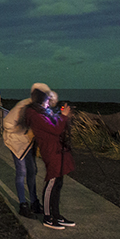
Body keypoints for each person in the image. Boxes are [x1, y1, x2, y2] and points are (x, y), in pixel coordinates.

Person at [25, 88, 76, 230]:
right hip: (50, 151)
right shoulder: (35, 115)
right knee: (52, 181)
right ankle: (47, 217)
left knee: (58, 182)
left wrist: (60, 115)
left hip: (57, 149)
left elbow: (54, 125)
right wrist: (64, 116)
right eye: (47, 101)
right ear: (41, 101)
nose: (49, 104)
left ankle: (56, 215)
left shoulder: (41, 112)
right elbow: (55, 130)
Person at [3, 82, 51, 218]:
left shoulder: (37, 109)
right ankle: (23, 205)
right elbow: (7, 123)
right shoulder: (23, 106)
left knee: (32, 170)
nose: (48, 105)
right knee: (21, 172)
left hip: (28, 143)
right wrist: (21, 131)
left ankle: (34, 202)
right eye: (46, 102)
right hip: (17, 142)